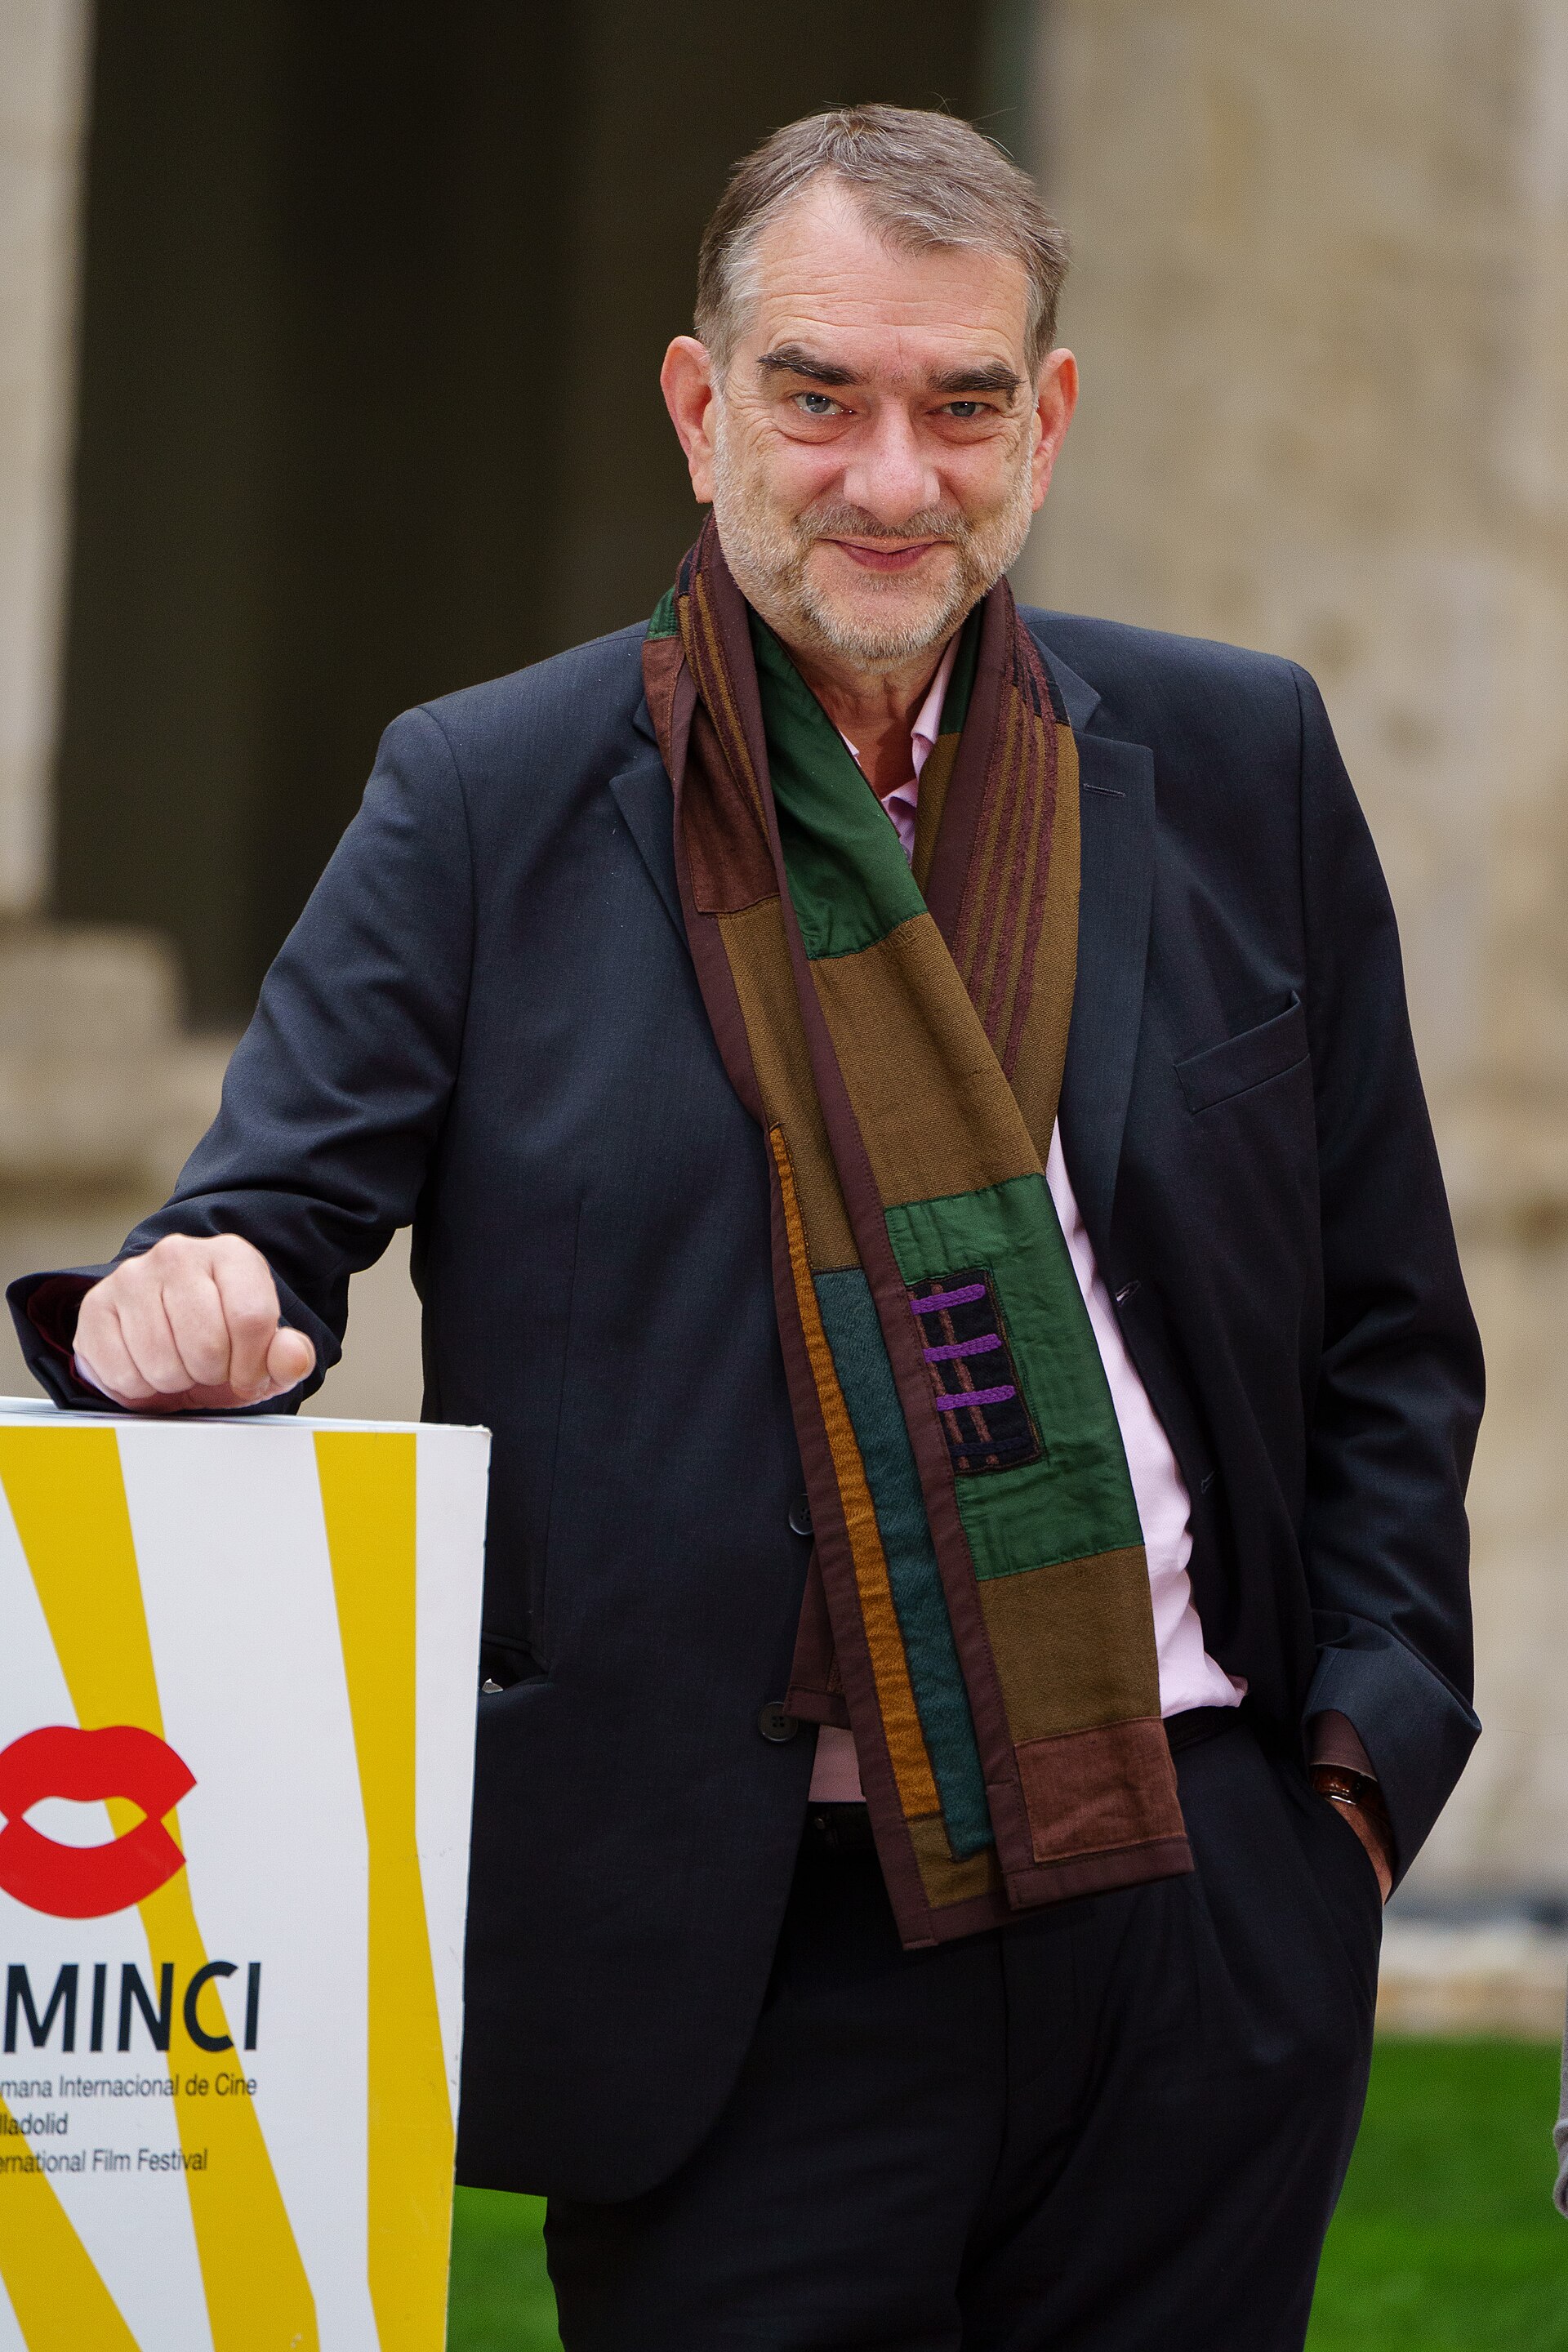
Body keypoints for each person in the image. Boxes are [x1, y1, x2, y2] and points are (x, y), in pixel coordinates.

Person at [11, 105, 1483, 2351]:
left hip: (1201, 1919)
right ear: (703, 410)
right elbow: (263, 1222)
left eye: (961, 402)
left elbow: (1388, 1321)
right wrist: (187, 1304)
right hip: (743, 1951)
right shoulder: (484, 799)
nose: (893, 475)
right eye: (821, 396)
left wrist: (1355, 1787)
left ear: (1047, 424)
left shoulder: (1242, 759)